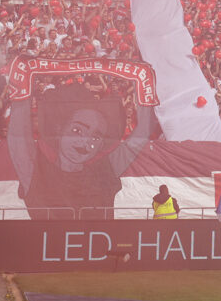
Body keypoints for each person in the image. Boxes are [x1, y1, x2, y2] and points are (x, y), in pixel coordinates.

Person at [8, 82, 151, 220]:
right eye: (77, 130)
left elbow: (141, 134)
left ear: (102, 145)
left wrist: (145, 89)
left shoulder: (106, 169)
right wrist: (22, 88)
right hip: (47, 243)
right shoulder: (37, 171)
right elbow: (17, 137)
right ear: (60, 129)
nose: (85, 142)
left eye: (96, 137)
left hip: (98, 242)